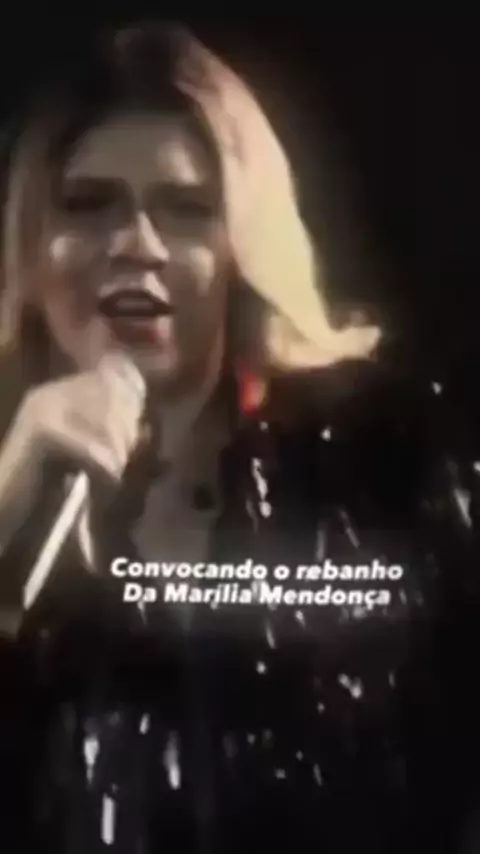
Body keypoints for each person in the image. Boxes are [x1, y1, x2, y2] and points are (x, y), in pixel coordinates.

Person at [0, 20, 476, 854]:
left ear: (240, 252)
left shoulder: (379, 467)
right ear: (33, 251)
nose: (137, 245)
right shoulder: (16, 491)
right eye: (89, 204)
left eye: (186, 210)